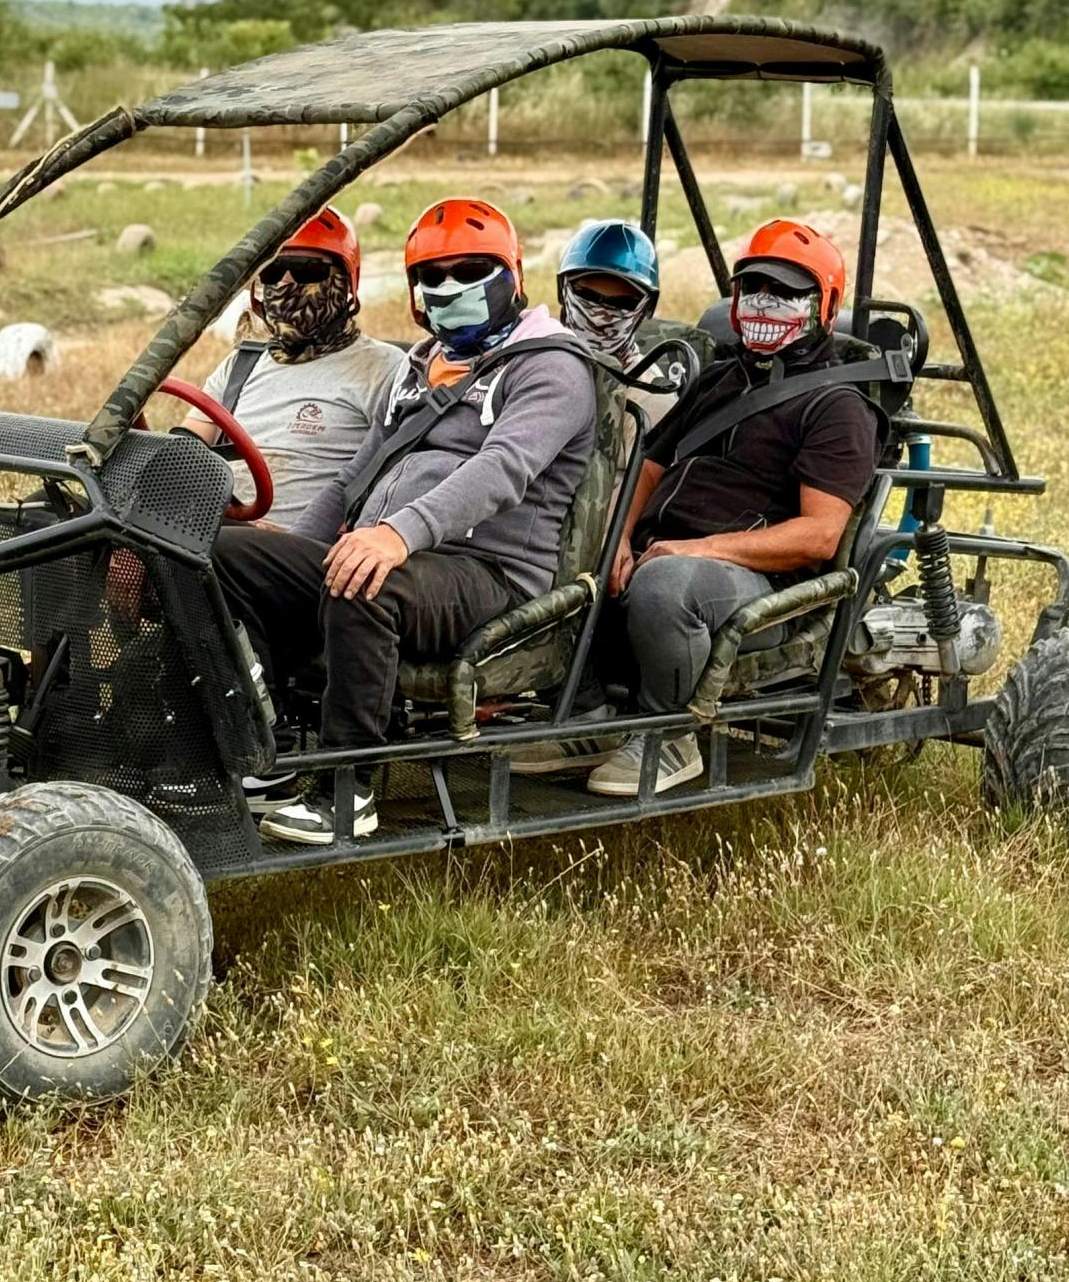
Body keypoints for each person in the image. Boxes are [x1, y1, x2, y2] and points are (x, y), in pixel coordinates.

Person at [215, 197, 597, 844]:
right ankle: (265, 747)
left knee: (365, 578)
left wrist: (397, 533)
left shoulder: (552, 366)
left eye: (471, 270)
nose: (451, 288)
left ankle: (349, 788)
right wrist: (298, 550)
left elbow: (503, 468)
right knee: (223, 554)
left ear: (513, 276)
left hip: (489, 573)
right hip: (400, 553)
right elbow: (351, 478)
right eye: (435, 277)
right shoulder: (423, 365)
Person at [584, 217, 880, 799]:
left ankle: (669, 732)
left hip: (761, 589)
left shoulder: (836, 405)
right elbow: (648, 466)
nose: (766, 302)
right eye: (753, 288)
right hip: (671, 554)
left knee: (668, 584)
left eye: (786, 291)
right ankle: (588, 716)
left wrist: (692, 549)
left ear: (824, 304)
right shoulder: (721, 378)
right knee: (576, 540)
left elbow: (819, 537)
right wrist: (617, 537)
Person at [182, 210, 404, 531]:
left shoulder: (384, 369)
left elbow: (397, 480)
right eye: (273, 272)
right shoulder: (240, 365)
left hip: (299, 550)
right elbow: (185, 449)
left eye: (305, 270)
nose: (285, 283)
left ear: (346, 282)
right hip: (215, 527)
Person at [552, 217, 695, 428]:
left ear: (646, 309)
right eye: (588, 296)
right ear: (562, 291)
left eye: (623, 303)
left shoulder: (652, 400)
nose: (600, 317)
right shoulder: (528, 361)